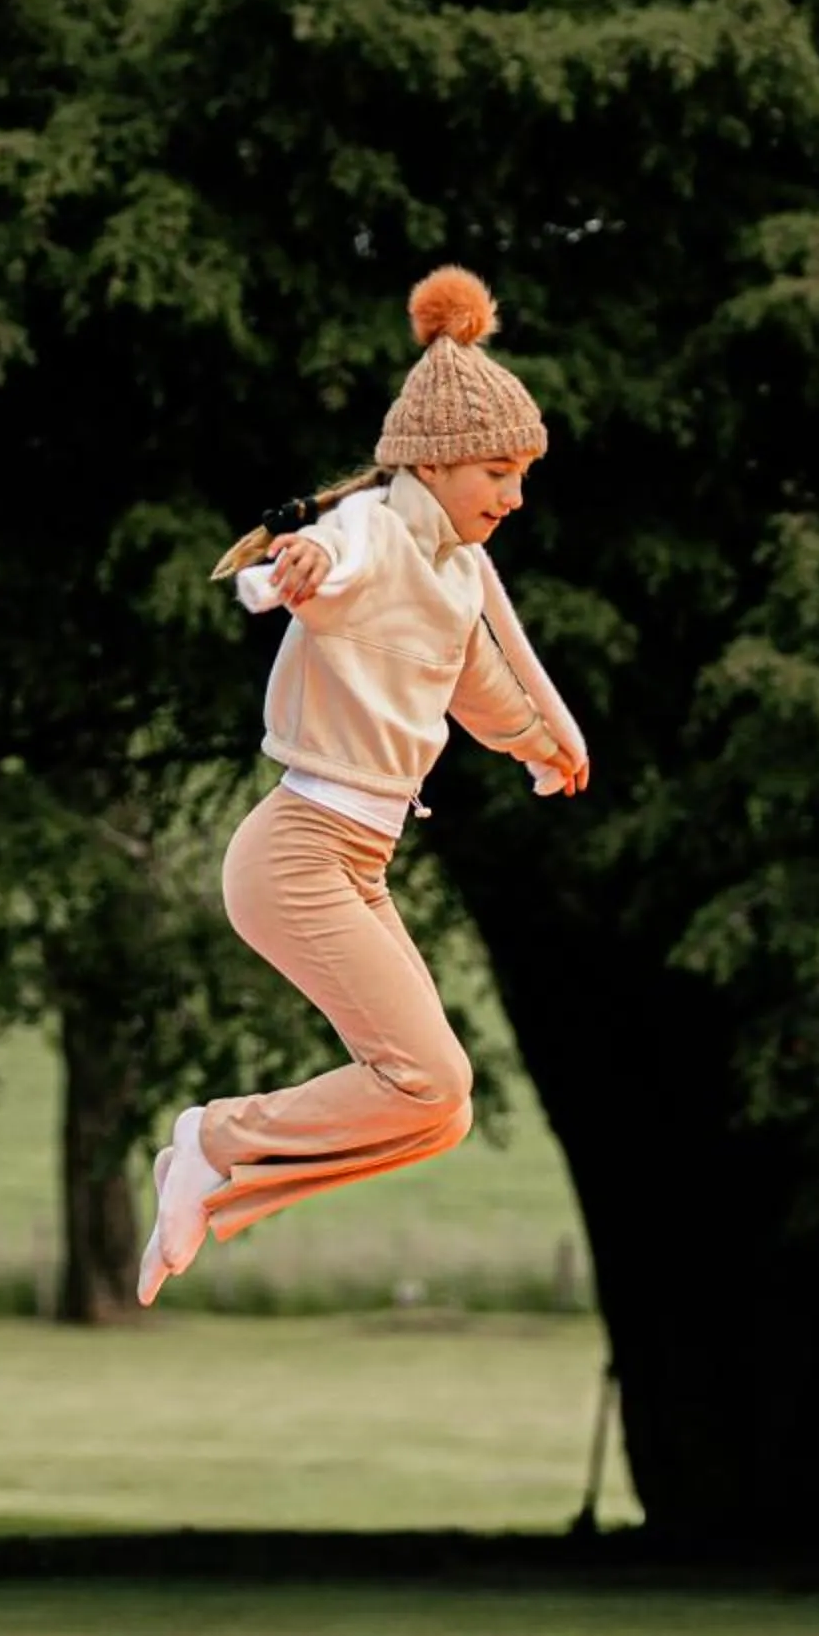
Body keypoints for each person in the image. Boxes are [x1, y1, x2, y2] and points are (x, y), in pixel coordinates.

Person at [137, 265, 589, 1306]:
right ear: (434, 464)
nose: (514, 496)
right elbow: (330, 560)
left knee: (442, 1108)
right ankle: (211, 1140)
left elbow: (476, 676)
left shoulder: (452, 565)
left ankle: (217, 1169)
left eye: (523, 472)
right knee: (428, 1078)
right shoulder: (379, 532)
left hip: (356, 859)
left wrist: (536, 744)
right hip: (295, 855)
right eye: (498, 471)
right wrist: (297, 568)